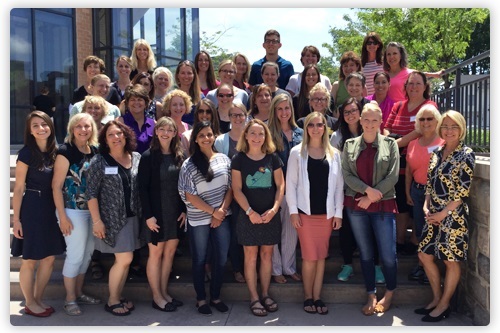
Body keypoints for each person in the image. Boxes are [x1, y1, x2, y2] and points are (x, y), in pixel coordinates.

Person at [416, 110, 475, 322]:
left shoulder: (466, 154)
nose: (449, 131)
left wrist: (443, 213)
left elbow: (463, 191)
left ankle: (444, 305)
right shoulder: (437, 152)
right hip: (433, 214)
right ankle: (437, 298)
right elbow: (430, 184)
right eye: (446, 126)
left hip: (453, 215)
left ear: (461, 129)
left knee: (450, 260)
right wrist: (426, 205)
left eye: (454, 127)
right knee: (424, 255)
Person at [341, 102, 399, 316]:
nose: (370, 123)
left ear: (381, 120)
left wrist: (372, 197)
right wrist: (366, 191)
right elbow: (346, 174)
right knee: (365, 253)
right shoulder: (349, 144)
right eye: (366, 119)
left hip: (383, 206)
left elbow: (392, 176)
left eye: (375, 119)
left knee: (388, 255)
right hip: (356, 206)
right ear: (360, 119)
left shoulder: (390, 144)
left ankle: (390, 292)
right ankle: (371, 294)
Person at [286, 111, 343, 315]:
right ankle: (307, 296)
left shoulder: (334, 154)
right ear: (306, 128)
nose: (316, 129)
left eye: (320, 125)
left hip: (326, 215)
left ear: (325, 128)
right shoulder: (296, 152)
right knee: (310, 257)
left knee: (321, 257)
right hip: (305, 214)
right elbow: (290, 185)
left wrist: (338, 213)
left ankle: (317, 296)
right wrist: (293, 212)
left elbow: (338, 186)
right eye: (311, 125)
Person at [11, 111, 66, 317]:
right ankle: (29, 302)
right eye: (35, 125)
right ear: (30, 131)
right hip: (33, 207)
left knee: (50, 258)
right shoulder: (26, 153)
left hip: (51, 207)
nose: (41, 128)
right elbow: (18, 189)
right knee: (30, 259)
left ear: (50, 127)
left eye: (44, 124)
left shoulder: (56, 152)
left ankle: (38, 299)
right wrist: (16, 220)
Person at [87, 120, 142, 316]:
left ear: (126, 135)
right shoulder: (99, 161)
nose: (116, 137)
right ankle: (112, 300)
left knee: (126, 260)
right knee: (124, 258)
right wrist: (97, 221)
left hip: (133, 217)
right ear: (105, 139)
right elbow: (91, 194)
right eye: (110, 134)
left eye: (119, 133)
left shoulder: (136, 158)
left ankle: (117, 296)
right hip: (112, 220)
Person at [178, 121, 233, 316]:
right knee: (200, 259)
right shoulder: (189, 164)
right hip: (199, 219)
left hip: (221, 217)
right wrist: (212, 212)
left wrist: (221, 212)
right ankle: (201, 299)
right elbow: (189, 195)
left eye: (209, 134)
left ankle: (216, 296)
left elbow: (230, 188)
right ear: (195, 139)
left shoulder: (224, 160)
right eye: (201, 135)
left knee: (220, 258)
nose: (206, 138)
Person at [231, 119, 285, 317]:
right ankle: (254, 297)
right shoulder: (238, 159)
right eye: (252, 133)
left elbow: (280, 186)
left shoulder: (273, 158)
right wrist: (250, 212)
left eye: (260, 134)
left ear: (266, 137)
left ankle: (265, 294)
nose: (256, 137)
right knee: (251, 257)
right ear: (246, 135)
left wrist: (274, 209)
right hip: (248, 216)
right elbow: (236, 189)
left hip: (270, 215)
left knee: (266, 256)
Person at [330, 98, 385, 285]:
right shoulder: (337, 137)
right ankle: (347, 265)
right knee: (346, 230)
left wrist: (370, 190)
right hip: (347, 190)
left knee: (372, 229)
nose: (350, 115)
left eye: (354, 111)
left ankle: (377, 267)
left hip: (372, 190)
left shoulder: (372, 131)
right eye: (346, 112)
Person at [52, 113, 101, 316]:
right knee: (75, 255)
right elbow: (56, 187)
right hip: (73, 211)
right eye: (79, 126)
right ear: (72, 129)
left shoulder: (94, 151)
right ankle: (69, 299)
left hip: (92, 211)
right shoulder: (65, 151)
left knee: (87, 254)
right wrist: (62, 216)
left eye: (87, 126)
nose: (83, 130)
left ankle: (79, 293)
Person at [384, 71, 438, 255]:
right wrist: (389, 140)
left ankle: (416, 243)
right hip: (397, 165)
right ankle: (399, 241)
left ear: (425, 86)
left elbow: (420, 131)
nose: (413, 87)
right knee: (400, 204)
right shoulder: (398, 106)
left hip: (418, 164)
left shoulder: (429, 106)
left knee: (416, 207)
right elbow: (386, 127)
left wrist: (396, 143)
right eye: (410, 83)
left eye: (418, 83)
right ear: (405, 87)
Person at [138, 117, 186, 313]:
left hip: (175, 213)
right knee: (156, 254)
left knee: (169, 254)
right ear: (156, 132)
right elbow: (142, 189)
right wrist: (148, 216)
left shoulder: (179, 156)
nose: (166, 133)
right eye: (162, 129)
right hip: (155, 215)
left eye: (170, 130)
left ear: (175, 133)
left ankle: (165, 293)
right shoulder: (149, 156)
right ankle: (156, 297)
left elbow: (184, 186)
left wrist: (184, 209)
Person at [405, 105, 444, 284]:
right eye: (422, 119)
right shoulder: (413, 143)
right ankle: (422, 267)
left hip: (437, 194)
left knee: (434, 232)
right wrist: (407, 191)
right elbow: (408, 172)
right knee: (420, 230)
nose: (426, 122)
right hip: (417, 190)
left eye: (429, 119)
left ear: (437, 120)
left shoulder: (443, 142)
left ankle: (430, 268)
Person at [267, 94, 303, 284]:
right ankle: (275, 269)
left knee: (291, 232)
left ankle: (289, 268)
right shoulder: (268, 133)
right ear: (274, 110)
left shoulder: (300, 133)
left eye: (286, 108)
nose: (283, 112)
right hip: (274, 191)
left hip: (296, 192)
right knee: (273, 231)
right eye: (279, 108)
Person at [214, 102, 248, 283]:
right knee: (235, 233)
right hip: (229, 194)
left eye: (240, 114)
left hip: (251, 194)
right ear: (228, 117)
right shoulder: (221, 141)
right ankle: (237, 268)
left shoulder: (253, 137)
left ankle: (251, 267)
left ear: (246, 115)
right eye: (233, 115)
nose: (237, 118)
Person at [117, 84, 155, 155]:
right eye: (132, 100)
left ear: (146, 103)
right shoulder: (120, 122)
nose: (136, 103)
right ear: (127, 103)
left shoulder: (154, 124)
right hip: (126, 164)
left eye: (140, 100)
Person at [331, 51, 363, 117]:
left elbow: (364, 104)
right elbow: (331, 106)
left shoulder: (362, 86)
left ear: (357, 67)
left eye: (351, 65)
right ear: (342, 68)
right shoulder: (336, 85)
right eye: (345, 66)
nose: (348, 68)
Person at [175, 60, 203, 125]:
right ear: (177, 75)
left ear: (194, 75)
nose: (186, 76)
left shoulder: (200, 97)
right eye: (183, 73)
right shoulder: (172, 96)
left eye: (189, 73)